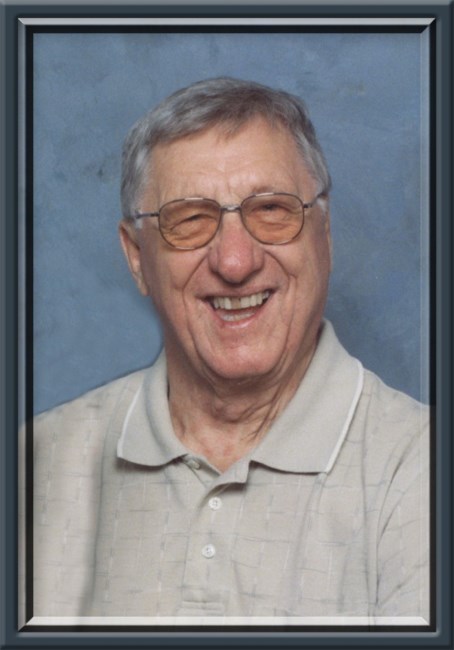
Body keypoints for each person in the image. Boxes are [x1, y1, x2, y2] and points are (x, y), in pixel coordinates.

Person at [33, 77, 429, 622]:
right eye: (190, 220)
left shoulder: (423, 472)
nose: (235, 262)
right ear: (136, 257)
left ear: (325, 234)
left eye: (272, 210)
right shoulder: (35, 467)